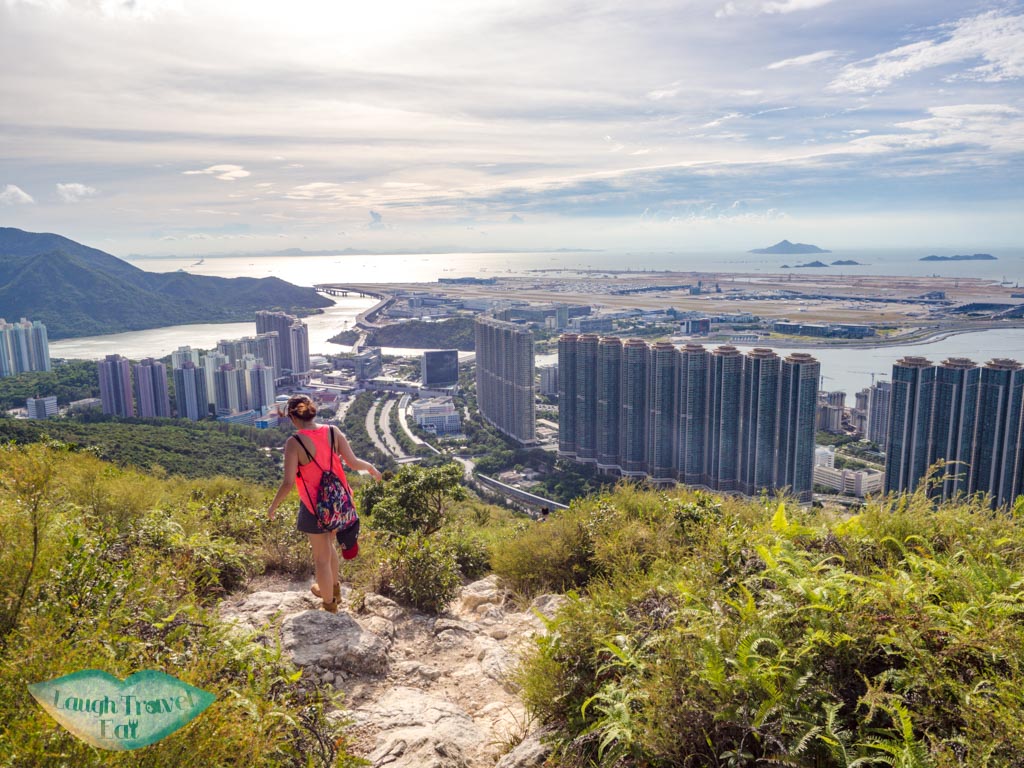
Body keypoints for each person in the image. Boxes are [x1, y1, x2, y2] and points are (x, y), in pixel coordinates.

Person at [268, 395, 382, 612]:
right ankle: (333, 590)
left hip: (315, 508)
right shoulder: (332, 432)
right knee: (329, 549)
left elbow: (288, 482)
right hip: (339, 502)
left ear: (293, 417)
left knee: (321, 558)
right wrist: (371, 468)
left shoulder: (295, 443)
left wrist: (274, 506)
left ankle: (329, 604)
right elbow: (353, 462)